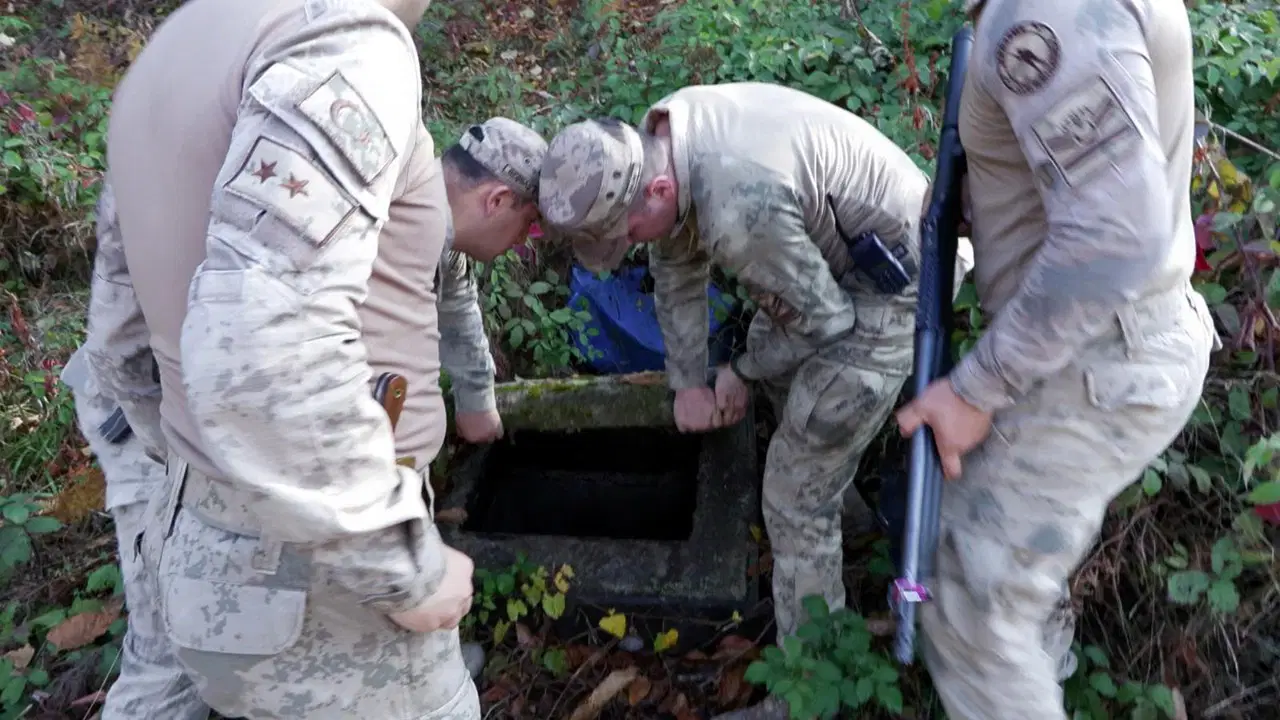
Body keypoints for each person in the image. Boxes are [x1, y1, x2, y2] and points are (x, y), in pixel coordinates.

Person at [98, 0, 545, 715]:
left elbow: (120, 338)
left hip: (201, 524)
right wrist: (404, 567)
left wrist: (199, 474)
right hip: (320, 563)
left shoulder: (172, 52)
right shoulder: (343, 41)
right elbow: (265, 343)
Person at [535, 82, 972, 720]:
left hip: (900, 286)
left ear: (658, 190)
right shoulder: (661, 141)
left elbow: (824, 322)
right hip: (833, 265)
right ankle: (845, 518)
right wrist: (688, 383)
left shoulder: (737, 206)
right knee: (777, 367)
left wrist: (737, 372)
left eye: (625, 233)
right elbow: (675, 266)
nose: (628, 246)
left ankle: (807, 691)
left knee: (792, 496)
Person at [893, 1, 1215, 718]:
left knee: (976, 609)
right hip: (1099, 348)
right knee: (1010, 590)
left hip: (1095, 358)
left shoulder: (1043, 10)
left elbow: (1115, 233)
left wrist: (978, 389)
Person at [61, 184, 210, 720]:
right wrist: (172, 451)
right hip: (150, 405)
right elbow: (119, 343)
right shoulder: (180, 150)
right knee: (171, 639)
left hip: (177, 401)